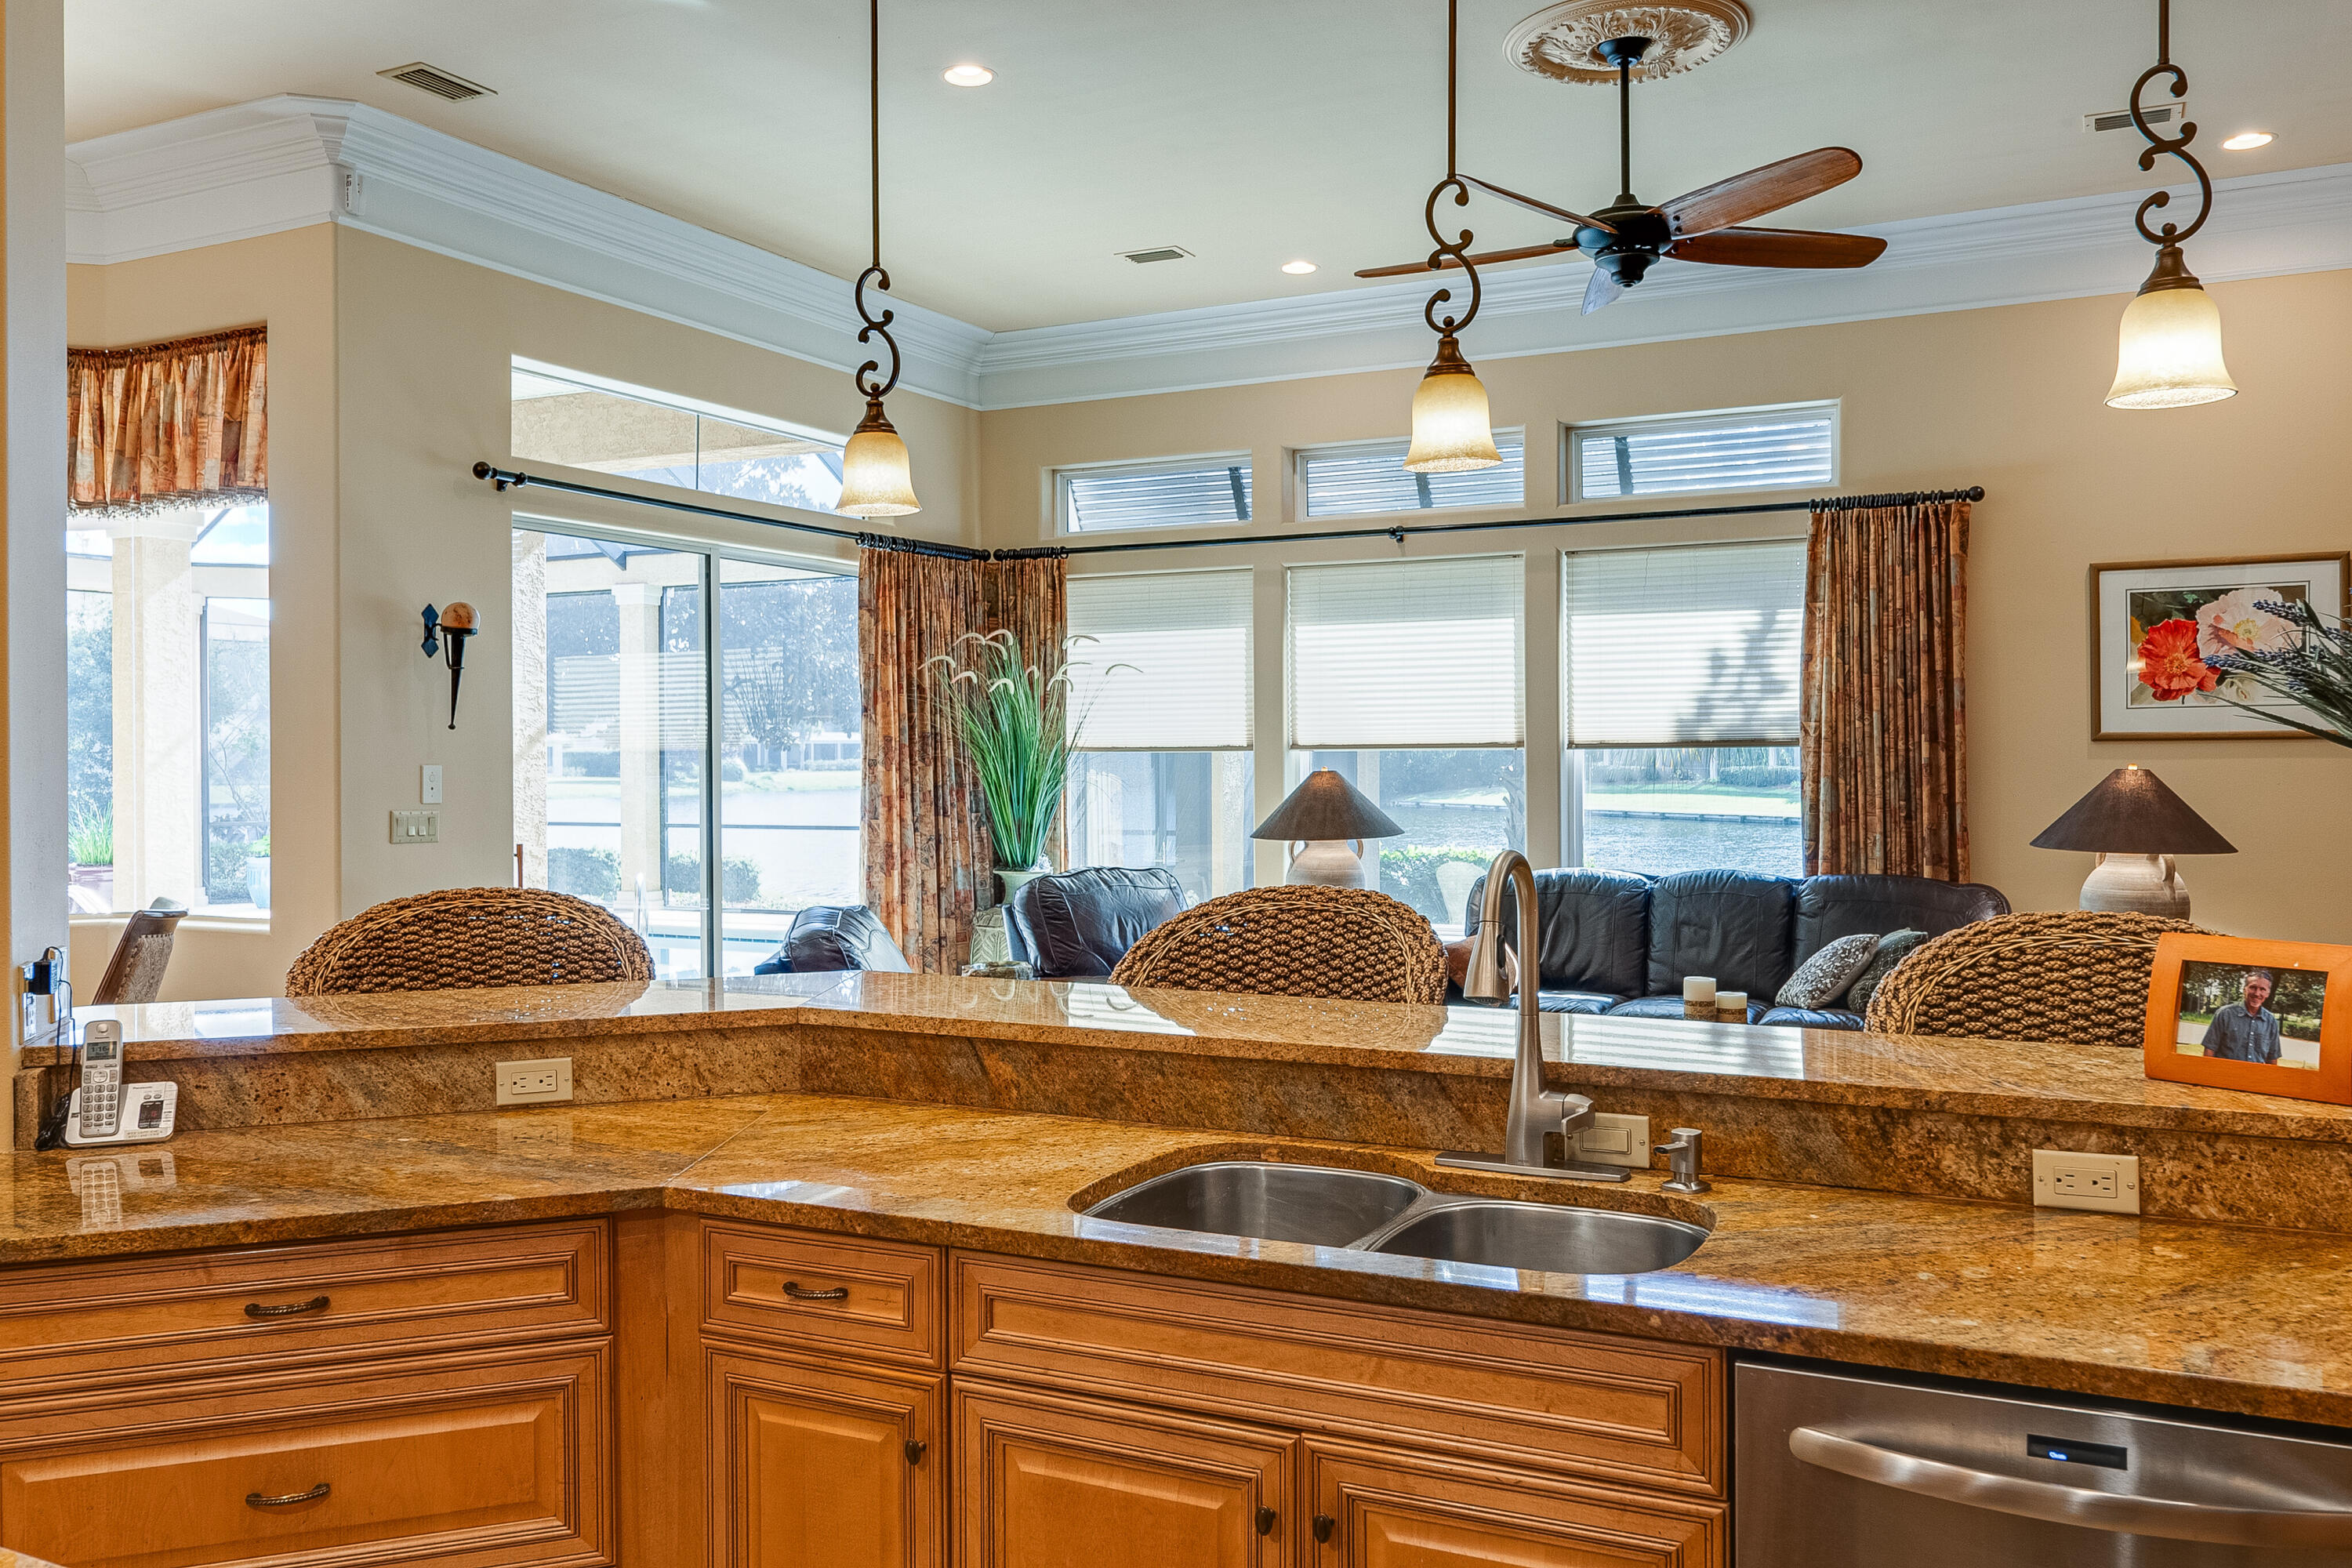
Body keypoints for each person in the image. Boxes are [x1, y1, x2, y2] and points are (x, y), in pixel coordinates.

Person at [2202, 970, 2283, 1064]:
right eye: (2253, 987)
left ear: (2268, 993)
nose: (2257, 993)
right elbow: (2210, 1050)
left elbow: (2272, 1058)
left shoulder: (2271, 1021)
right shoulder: (2225, 1014)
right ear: (2245, 989)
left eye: (2262, 989)